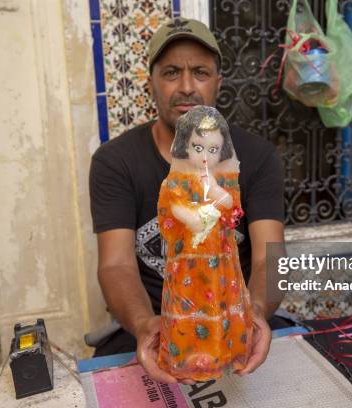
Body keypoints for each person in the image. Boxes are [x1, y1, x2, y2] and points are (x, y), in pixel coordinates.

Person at [89, 17, 287, 384]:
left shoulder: (256, 156)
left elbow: (270, 258)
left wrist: (255, 311)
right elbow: (115, 265)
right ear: (151, 84)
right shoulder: (115, 161)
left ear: (218, 83)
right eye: (170, 72)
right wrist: (144, 324)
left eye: (199, 72)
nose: (186, 87)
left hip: (235, 319)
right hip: (156, 323)